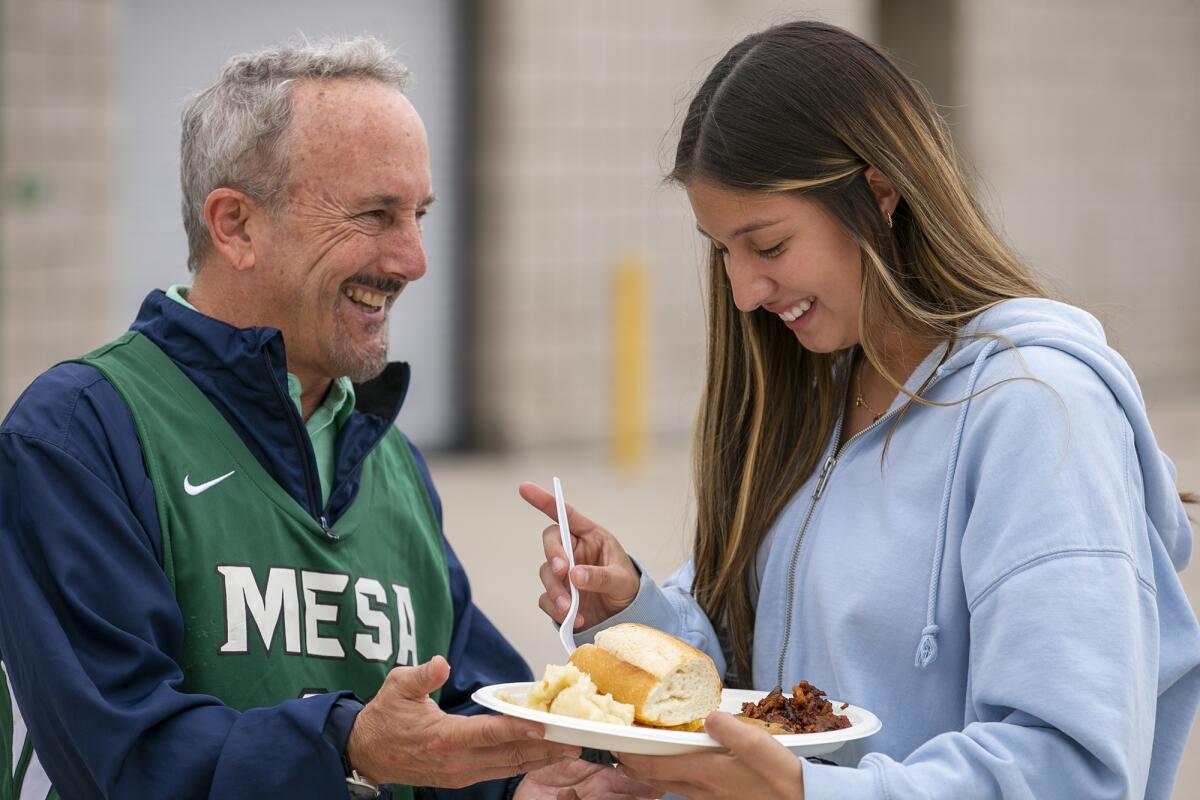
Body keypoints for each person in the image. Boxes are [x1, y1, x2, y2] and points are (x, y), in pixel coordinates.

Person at [522, 20, 1200, 800]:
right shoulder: (814, 403)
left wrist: (807, 793)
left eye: (768, 245)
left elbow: (1073, 768)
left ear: (879, 194)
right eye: (722, 252)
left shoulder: (1041, 413)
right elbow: (769, 696)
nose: (743, 292)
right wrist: (632, 610)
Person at [0, 38, 657, 800]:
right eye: (375, 214)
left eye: (418, 215)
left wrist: (524, 783)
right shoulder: (80, 435)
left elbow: (455, 715)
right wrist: (348, 744)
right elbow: (119, 754)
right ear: (235, 225)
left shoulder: (389, 460)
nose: (412, 260)